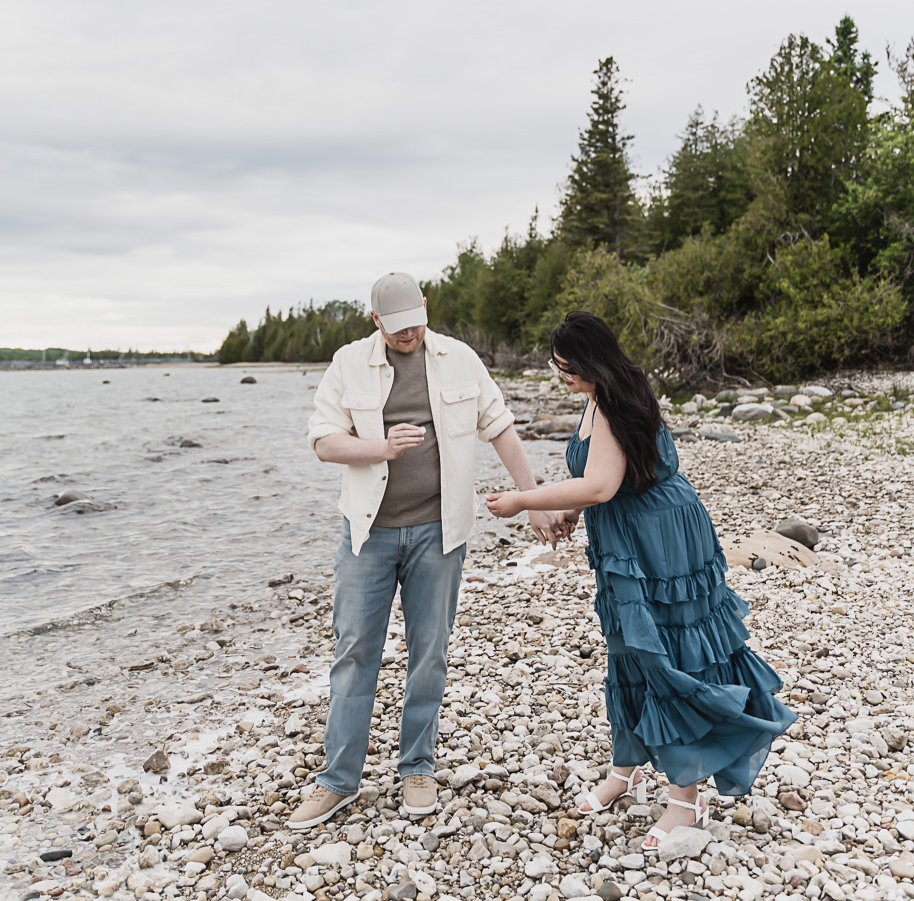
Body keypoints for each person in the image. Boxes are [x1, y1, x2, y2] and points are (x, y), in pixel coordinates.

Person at [486, 310, 795, 851]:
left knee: (665, 653)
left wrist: (522, 500)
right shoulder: (601, 395)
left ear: (592, 362)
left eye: (568, 367)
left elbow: (603, 485)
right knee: (626, 649)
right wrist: (572, 512)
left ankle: (685, 797)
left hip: (659, 538)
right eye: (558, 367)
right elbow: (607, 480)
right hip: (629, 534)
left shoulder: (611, 400)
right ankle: (625, 769)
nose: (562, 376)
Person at [290, 271, 558, 830]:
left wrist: (533, 499)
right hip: (368, 534)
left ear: (425, 309)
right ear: (375, 323)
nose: (408, 334)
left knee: (428, 652)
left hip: (440, 533)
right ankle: (338, 780)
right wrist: (380, 447)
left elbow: (501, 427)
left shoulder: (459, 359)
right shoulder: (347, 363)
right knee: (355, 652)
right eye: (397, 329)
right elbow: (322, 440)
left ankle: (417, 765)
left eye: (415, 324)